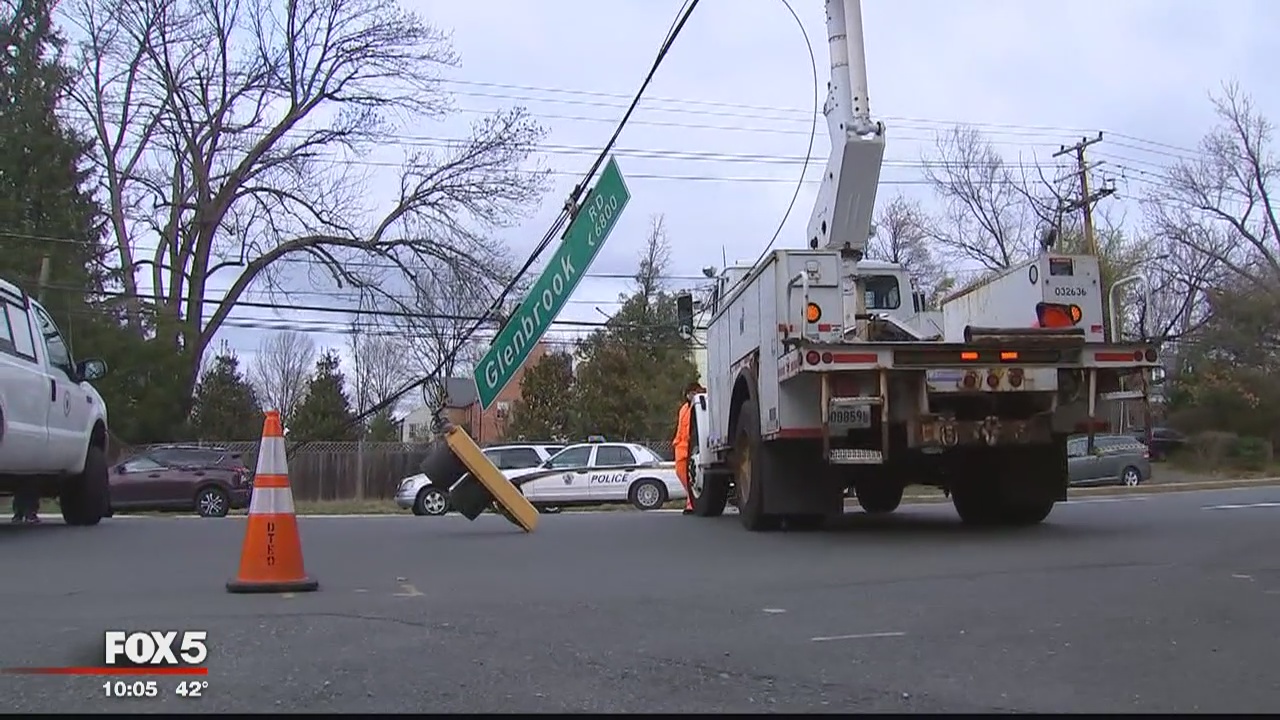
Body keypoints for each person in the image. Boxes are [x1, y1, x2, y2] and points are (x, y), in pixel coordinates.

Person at [672, 382, 704, 515]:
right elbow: (681, 427)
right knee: (681, 473)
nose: (692, 395)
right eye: (690, 393)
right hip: (681, 446)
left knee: (693, 477)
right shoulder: (684, 408)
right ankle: (691, 501)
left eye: (694, 393)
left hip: (692, 447)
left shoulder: (700, 406)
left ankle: (691, 503)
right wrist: (676, 441)